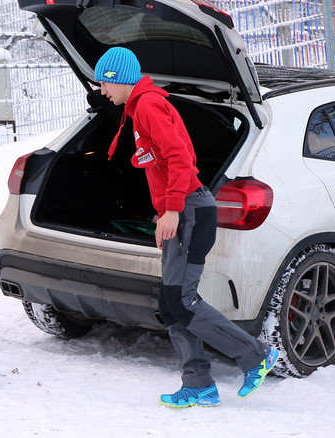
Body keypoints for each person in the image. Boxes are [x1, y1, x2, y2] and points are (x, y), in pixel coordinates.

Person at [94, 47, 279, 408]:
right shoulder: (140, 108)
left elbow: (181, 157)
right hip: (183, 210)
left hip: (191, 210)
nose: (102, 90)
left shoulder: (148, 105)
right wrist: (163, 208)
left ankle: (256, 355)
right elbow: (165, 156)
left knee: (182, 299)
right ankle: (198, 384)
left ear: (118, 78)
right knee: (172, 301)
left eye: (104, 81)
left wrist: (174, 210)